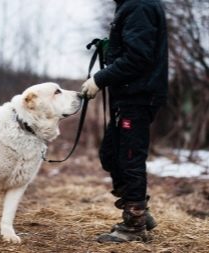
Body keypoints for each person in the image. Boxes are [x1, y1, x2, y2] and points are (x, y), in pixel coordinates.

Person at [81, 0, 168, 243]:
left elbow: (138, 58)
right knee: (110, 154)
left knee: (130, 158)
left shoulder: (139, 5)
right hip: (130, 96)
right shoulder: (131, 6)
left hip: (138, 96)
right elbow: (134, 50)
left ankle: (134, 225)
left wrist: (100, 79)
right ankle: (139, 210)